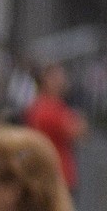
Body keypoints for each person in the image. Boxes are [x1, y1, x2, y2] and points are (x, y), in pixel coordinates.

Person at [24, 63, 87, 192]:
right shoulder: (48, 108)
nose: (63, 80)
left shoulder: (52, 105)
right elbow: (78, 130)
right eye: (57, 76)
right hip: (55, 176)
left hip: (54, 175)